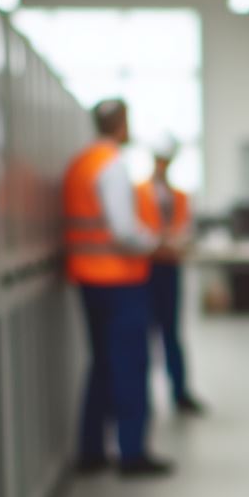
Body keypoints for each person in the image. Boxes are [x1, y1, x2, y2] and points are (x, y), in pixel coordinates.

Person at [63, 98, 178, 477]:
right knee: (130, 366)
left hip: (88, 279)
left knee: (100, 364)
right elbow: (124, 230)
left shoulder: (81, 162)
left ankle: (91, 451)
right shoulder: (110, 166)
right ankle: (132, 455)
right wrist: (156, 244)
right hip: (120, 282)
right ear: (121, 124)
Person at [136, 134, 204, 414]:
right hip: (144, 270)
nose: (163, 164)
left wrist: (174, 241)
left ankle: (180, 393)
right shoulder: (137, 192)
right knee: (143, 335)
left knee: (171, 333)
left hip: (170, 268)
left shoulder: (180, 196)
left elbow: (186, 228)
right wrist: (158, 242)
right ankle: (143, 397)